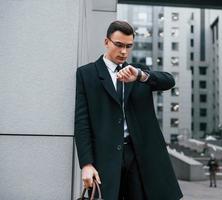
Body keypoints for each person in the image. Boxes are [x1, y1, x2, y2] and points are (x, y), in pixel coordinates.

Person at [74, 20, 183, 200]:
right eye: (119, 45)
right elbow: (81, 122)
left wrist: (140, 76)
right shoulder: (87, 74)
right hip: (105, 157)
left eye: (128, 46)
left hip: (140, 156)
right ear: (106, 42)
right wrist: (86, 163)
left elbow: (169, 81)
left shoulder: (138, 72)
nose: (124, 51)